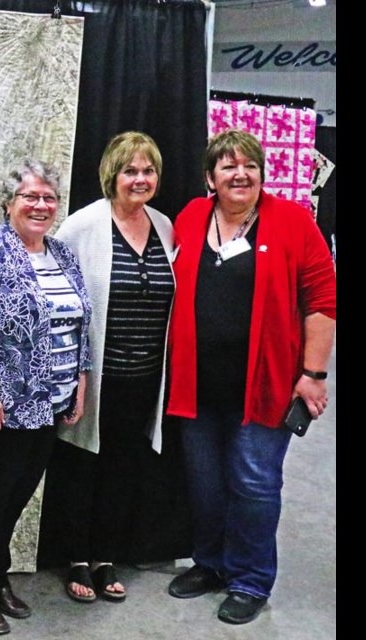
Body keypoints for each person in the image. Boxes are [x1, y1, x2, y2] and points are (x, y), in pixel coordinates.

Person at [165, 129, 336, 624]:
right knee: (205, 484)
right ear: (210, 178)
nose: (240, 174)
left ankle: (250, 579)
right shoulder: (194, 217)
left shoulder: (292, 222)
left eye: (250, 166)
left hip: (266, 384)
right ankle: (211, 564)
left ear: (262, 173)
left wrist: (314, 374)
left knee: (254, 484)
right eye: (228, 166)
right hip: (197, 385)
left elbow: (323, 303)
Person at [0, 160, 92, 635]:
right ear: (9, 202)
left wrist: (80, 384)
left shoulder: (63, 254)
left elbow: (80, 322)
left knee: (15, 499)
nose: (41, 205)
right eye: (31, 196)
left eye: (49, 198)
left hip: (48, 402)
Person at [41, 131, 187, 605]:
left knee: (125, 465)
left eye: (148, 171)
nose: (140, 179)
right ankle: (76, 558)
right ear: (113, 175)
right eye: (130, 171)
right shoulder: (82, 226)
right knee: (82, 466)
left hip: (144, 378)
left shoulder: (165, 227)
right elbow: (55, 297)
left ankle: (106, 556)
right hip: (93, 378)